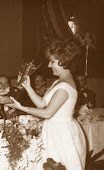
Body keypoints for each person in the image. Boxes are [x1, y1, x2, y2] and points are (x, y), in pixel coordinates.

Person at [6, 39, 86, 170]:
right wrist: (28, 87)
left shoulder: (65, 87)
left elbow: (47, 113)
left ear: (64, 62)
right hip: (53, 129)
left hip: (61, 133)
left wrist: (20, 107)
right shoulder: (58, 82)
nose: (49, 65)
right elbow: (41, 103)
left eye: (52, 61)